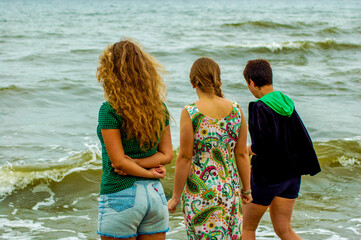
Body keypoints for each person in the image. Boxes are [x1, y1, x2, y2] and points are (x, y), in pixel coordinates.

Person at [95, 39, 173, 240]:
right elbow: (166, 154)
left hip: (121, 194)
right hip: (155, 196)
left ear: (109, 73)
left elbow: (119, 162)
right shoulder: (159, 108)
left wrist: (134, 164)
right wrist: (151, 174)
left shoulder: (109, 110)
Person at [168, 57, 252, 240]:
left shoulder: (190, 112)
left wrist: (175, 197)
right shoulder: (236, 109)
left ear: (193, 83)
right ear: (217, 80)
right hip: (229, 189)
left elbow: (184, 157)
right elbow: (242, 154)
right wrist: (246, 189)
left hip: (200, 192)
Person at [241, 59, 321, 240]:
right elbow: (300, 139)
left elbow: (261, 144)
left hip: (267, 178)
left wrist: (247, 150)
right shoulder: (286, 102)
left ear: (252, 82)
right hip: (292, 176)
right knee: (284, 230)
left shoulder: (259, 106)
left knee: (246, 229)